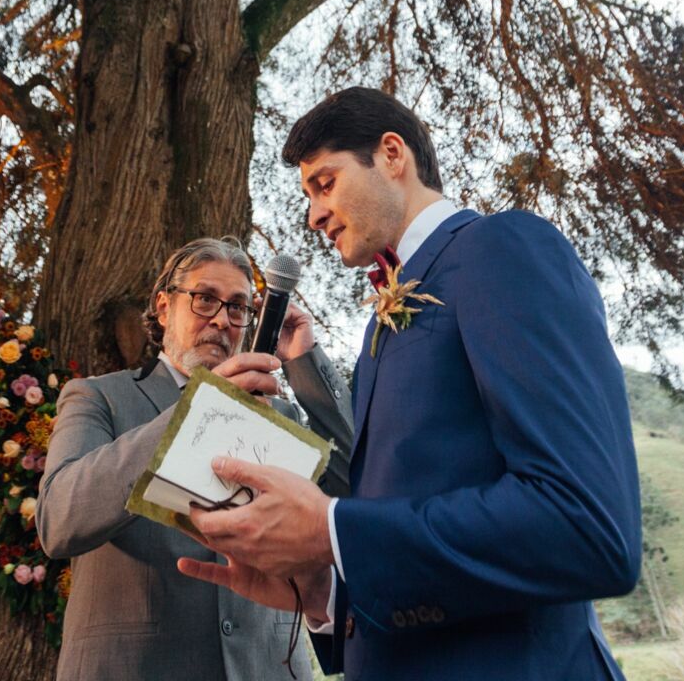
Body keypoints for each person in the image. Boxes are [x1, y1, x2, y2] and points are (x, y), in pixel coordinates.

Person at [176, 87, 641, 681]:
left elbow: (586, 524)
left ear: (392, 155)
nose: (314, 213)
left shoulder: (500, 249)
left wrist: (334, 530)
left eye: (325, 183)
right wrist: (324, 591)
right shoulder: (380, 325)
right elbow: (407, 516)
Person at [37, 237, 355, 681]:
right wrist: (195, 411)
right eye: (205, 300)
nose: (223, 320)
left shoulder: (280, 413)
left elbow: (351, 482)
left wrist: (303, 360)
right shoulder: (99, 397)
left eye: (239, 307)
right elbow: (58, 520)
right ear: (165, 307)